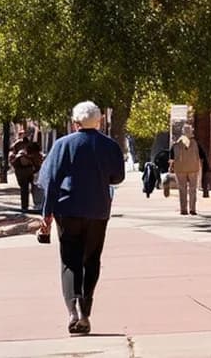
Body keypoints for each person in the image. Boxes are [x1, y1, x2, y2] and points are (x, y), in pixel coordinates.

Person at [39, 101, 126, 336]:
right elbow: (117, 177)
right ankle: (85, 310)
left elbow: (50, 181)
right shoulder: (110, 145)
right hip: (98, 209)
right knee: (92, 259)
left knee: (70, 260)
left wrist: (46, 214)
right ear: (99, 121)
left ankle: (73, 309)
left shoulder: (63, 144)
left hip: (68, 209)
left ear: (75, 122)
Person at [170, 124, 202, 216]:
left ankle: (183, 209)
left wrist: (171, 167)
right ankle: (192, 209)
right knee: (192, 189)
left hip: (180, 169)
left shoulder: (176, 144)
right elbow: (201, 155)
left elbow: (171, 157)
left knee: (182, 189)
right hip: (193, 169)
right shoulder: (196, 143)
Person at [9, 130, 44, 212]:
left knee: (27, 188)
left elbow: (13, 157)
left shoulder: (19, 145)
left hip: (24, 170)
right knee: (31, 187)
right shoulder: (20, 145)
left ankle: (27, 206)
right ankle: (34, 204)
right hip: (28, 170)